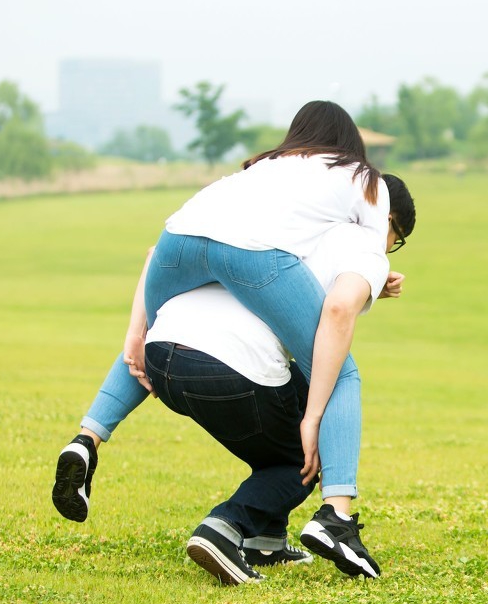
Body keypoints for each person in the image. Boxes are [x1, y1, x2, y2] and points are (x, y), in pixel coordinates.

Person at [54, 169, 415, 579]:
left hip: (160, 354)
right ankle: (227, 527)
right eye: (396, 239)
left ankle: (89, 438)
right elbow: (336, 312)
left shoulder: (278, 211)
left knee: (290, 415)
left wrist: (137, 332)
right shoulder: (364, 244)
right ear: (386, 219)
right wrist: (371, 276)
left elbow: (158, 254)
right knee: (307, 454)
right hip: (233, 368)